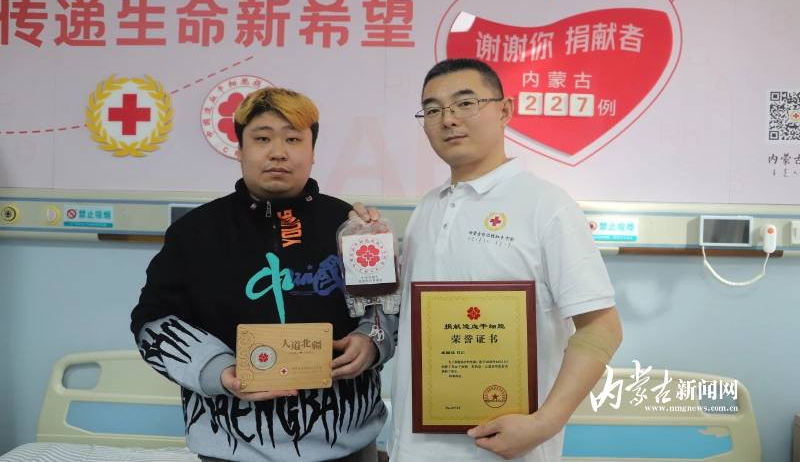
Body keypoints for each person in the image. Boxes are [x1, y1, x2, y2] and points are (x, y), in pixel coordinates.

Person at [352, 58, 623, 461]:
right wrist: (366, 244)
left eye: (465, 103)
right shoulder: (428, 207)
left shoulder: (547, 206)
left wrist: (544, 424)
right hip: (412, 448)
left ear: (505, 110)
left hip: (505, 451)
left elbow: (601, 328)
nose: (448, 119)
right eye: (432, 110)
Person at [131, 87, 396, 462]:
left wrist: (370, 341)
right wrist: (218, 371)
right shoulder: (194, 233)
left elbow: (386, 309)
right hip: (229, 449)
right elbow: (153, 321)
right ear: (239, 149)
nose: (278, 152)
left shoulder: (353, 227)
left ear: (313, 152)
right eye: (262, 138)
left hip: (349, 447)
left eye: (293, 139)